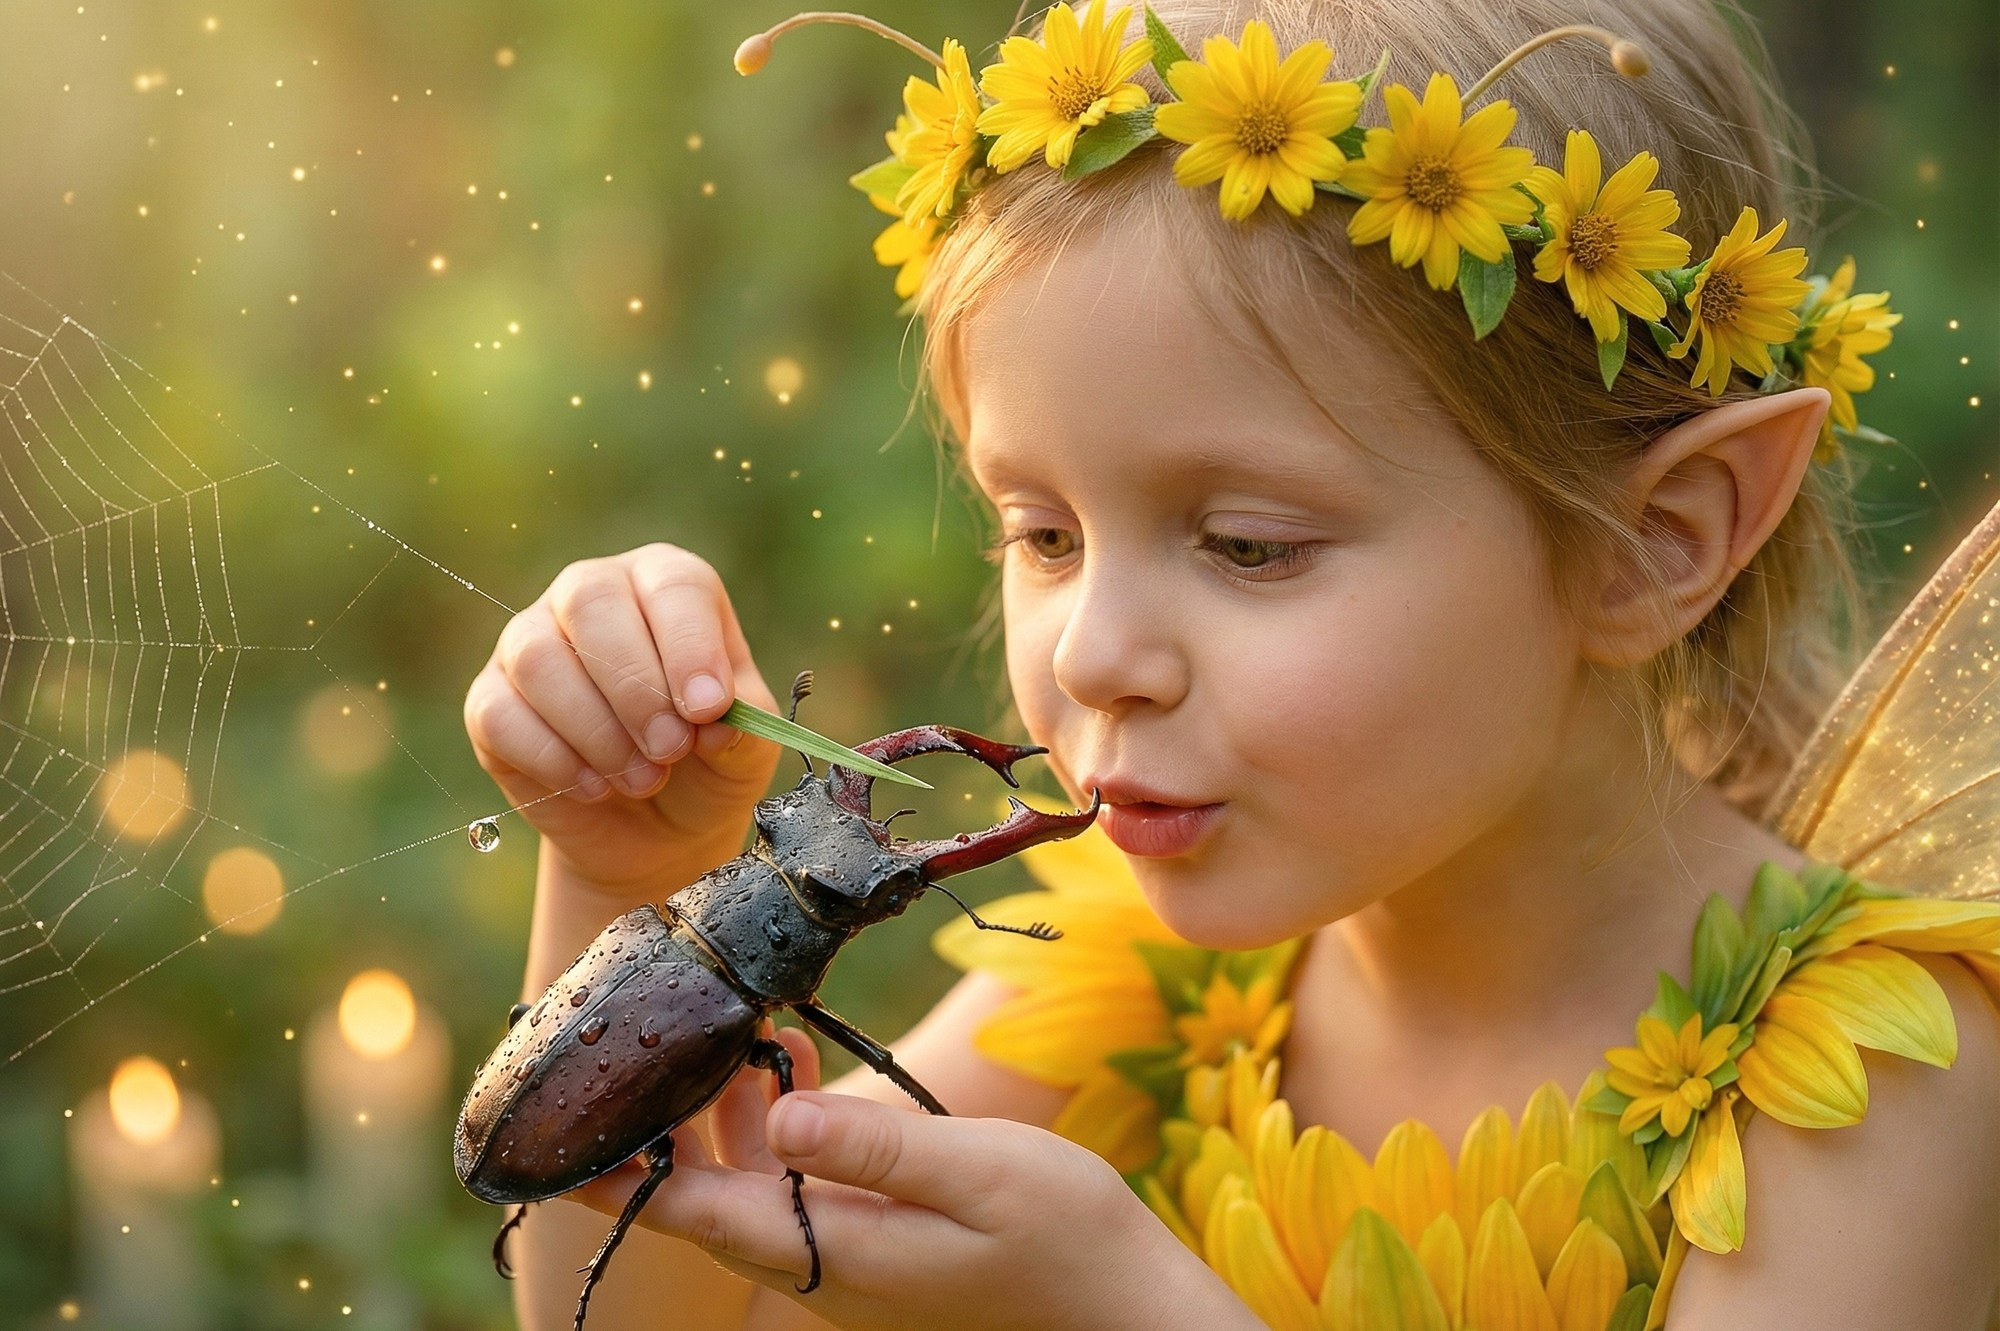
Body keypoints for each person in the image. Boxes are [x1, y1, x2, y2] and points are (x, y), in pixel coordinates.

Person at [460, 1, 2000, 1326]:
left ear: (1658, 540)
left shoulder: (1876, 1083)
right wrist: (627, 877)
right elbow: (697, 1310)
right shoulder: (1156, 979)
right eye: (1044, 534)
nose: (1094, 654)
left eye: (1250, 545)